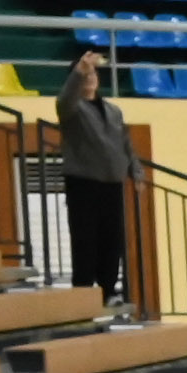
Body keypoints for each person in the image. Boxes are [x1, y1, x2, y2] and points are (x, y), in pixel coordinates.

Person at [55, 47, 134, 313]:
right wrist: (80, 70)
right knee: (85, 238)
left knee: (112, 239)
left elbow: (124, 142)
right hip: (83, 182)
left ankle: (109, 290)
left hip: (112, 183)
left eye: (93, 74)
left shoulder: (113, 110)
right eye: (86, 75)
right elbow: (64, 99)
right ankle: (83, 291)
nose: (91, 78)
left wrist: (136, 171)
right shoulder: (72, 109)